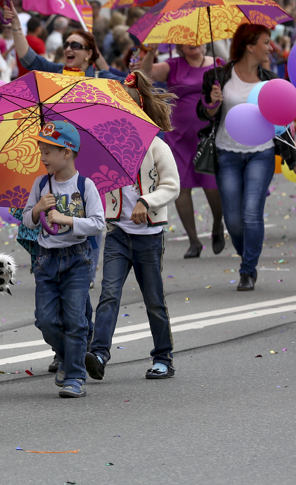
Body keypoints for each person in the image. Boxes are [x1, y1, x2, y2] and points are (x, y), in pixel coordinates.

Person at [87, 72, 181, 382]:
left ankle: (163, 357)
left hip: (149, 238)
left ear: (139, 108)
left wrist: (146, 201)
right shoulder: (108, 146)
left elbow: (172, 186)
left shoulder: (156, 146)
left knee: (153, 300)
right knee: (109, 294)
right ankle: (99, 354)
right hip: (118, 234)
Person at [197, 23, 296, 292]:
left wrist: (293, 161)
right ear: (249, 46)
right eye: (266, 42)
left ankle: (248, 270)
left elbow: (281, 122)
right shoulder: (218, 77)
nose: (271, 47)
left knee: (252, 213)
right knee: (233, 219)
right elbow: (203, 113)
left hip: (261, 154)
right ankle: (247, 255)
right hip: (226, 153)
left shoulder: (271, 80)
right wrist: (212, 103)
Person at [22, 121, 106, 399]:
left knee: (75, 320)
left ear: (67, 152)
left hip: (76, 259)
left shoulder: (85, 185)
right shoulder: (41, 184)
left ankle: (74, 377)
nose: (42, 157)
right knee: (45, 320)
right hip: (46, 260)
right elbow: (28, 220)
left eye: (47, 152)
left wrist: (67, 219)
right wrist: (38, 209)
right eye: (41, 151)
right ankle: (70, 357)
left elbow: (98, 223)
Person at [140, 43, 226, 258]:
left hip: (207, 136)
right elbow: (145, 74)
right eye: (187, 40)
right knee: (181, 188)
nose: (192, 42)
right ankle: (194, 241)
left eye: (196, 39)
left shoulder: (217, 65)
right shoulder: (173, 65)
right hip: (178, 138)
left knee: (212, 187)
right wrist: (150, 52)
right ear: (179, 45)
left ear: (204, 43)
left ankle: (218, 224)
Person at [5, 1, 118, 80]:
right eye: (66, 45)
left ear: (88, 53)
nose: (68, 49)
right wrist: (16, 25)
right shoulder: (57, 71)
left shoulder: (102, 78)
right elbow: (28, 58)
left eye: (75, 45)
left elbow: (127, 84)